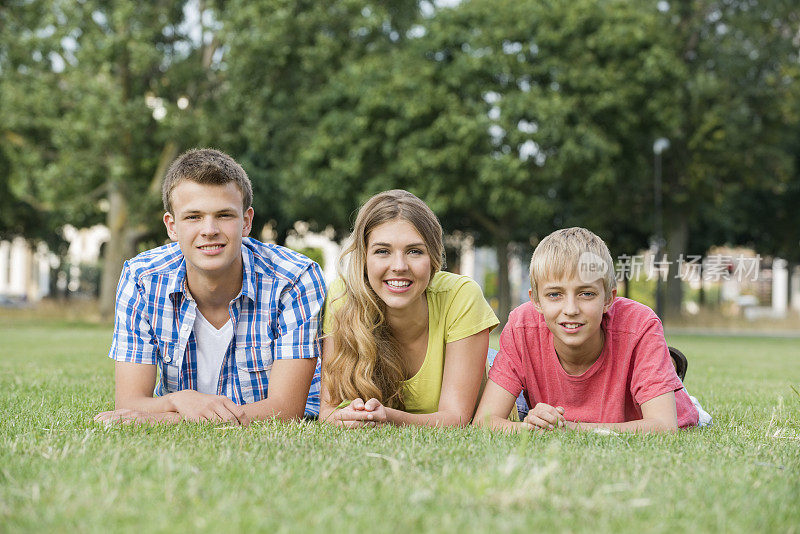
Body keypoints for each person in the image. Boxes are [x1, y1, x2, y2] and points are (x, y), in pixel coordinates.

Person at [94, 148, 325, 426]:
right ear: (172, 226)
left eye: (224, 215)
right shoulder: (141, 279)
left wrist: (165, 419)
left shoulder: (295, 279)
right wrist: (178, 399)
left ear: (247, 221)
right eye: (193, 217)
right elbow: (130, 403)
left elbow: (285, 411)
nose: (209, 230)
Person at [474, 227, 709, 433]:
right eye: (554, 294)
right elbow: (485, 422)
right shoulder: (522, 326)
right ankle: (660, 367)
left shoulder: (640, 324)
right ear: (536, 301)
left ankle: (664, 374)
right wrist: (531, 428)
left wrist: (568, 429)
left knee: (677, 405)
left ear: (608, 299)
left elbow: (664, 426)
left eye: (586, 293)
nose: (571, 309)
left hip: (648, 415)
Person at [319, 190, 499, 427]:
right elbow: (328, 412)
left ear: (433, 258)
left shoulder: (461, 296)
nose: (399, 266)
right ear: (364, 259)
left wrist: (387, 417)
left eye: (414, 251)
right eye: (382, 251)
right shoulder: (343, 297)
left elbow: (456, 418)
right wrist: (353, 415)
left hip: (498, 387)